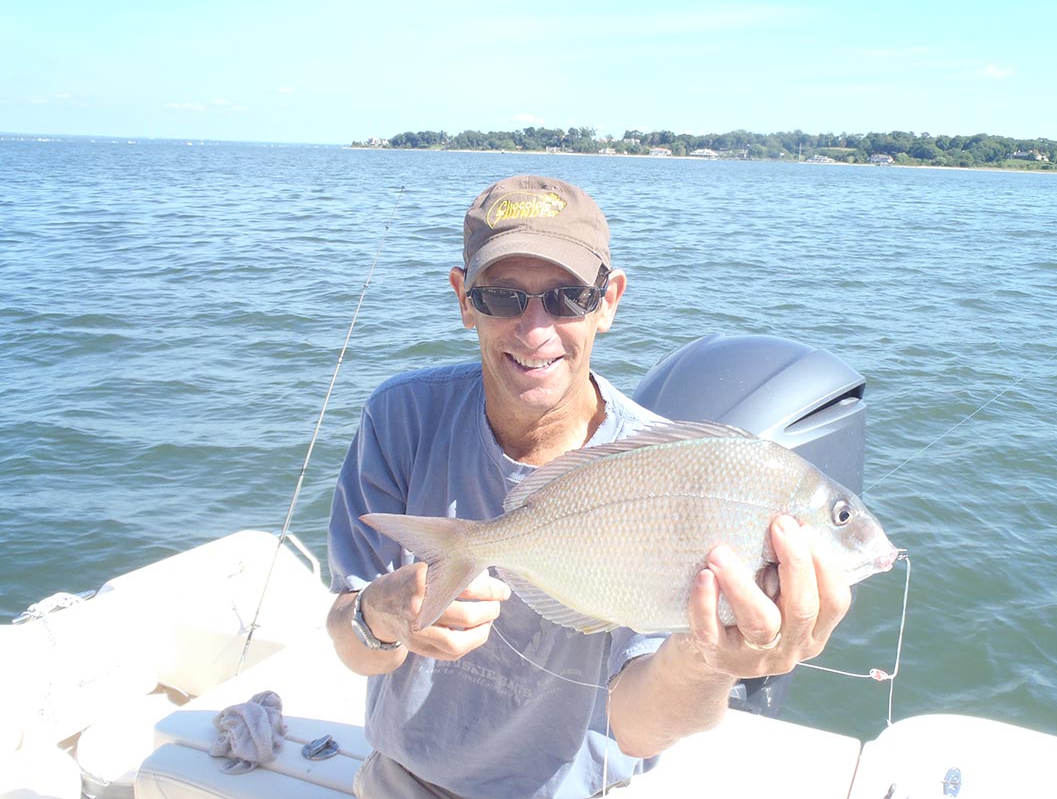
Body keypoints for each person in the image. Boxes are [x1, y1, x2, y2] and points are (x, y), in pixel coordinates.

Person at [326, 174, 851, 798]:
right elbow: (352, 645)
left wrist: (711, 659)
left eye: (568, 297)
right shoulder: (401, 417)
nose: (535, 329)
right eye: (502, 297)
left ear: (609, 301)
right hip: (404, 779)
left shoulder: (671, 468)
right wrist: (381, 615)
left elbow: (635, 729)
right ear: (464, 299)